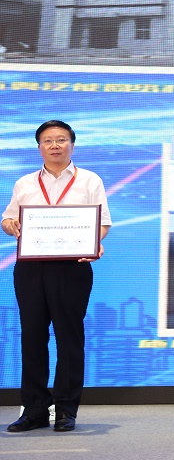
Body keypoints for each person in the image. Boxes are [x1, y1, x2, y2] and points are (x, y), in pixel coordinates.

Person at [3, 120, 112, 433]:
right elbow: (8, 219)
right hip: (31, 268)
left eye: (61, 139)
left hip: (72, 267)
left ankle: (66, 409)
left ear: (72, 145)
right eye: (48, 140)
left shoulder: (89, 180)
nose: (55, 145)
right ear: (39, 147)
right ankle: (34, 409)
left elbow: (103, 222)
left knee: (69, 337)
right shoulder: (25, 182)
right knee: (32, 337)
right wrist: (10, 225)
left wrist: (95, 244)